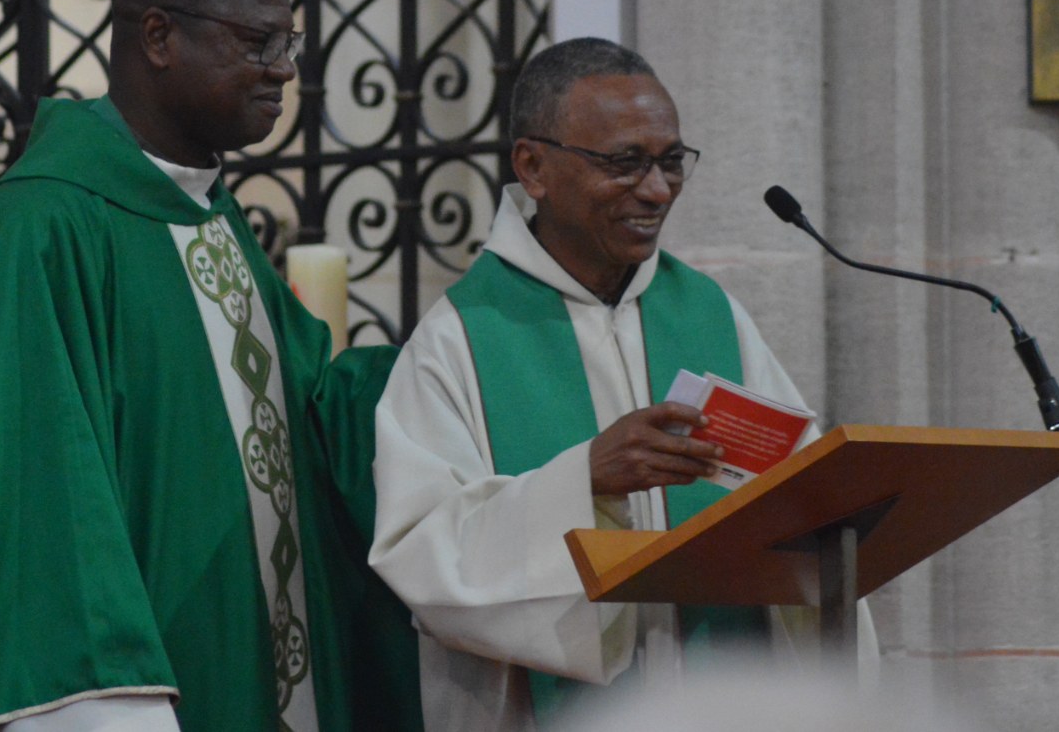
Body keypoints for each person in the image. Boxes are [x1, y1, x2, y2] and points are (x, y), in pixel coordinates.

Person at [0, 0, 419, 732]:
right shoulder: (42, 233)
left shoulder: (209, 220)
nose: (282, 73)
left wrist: (465, 367)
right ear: (158, 36)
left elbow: (308, 419)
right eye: (258, 43)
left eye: (289, 45)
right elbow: (37, 516)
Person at [370, 38, 866, 732]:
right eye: (624, 163)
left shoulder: (712, 316)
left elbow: (807, 500)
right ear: (533, 167)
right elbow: (420, 557)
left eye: (670, 161)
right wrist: (586, 479)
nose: (658, 189)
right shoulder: (460, 338)